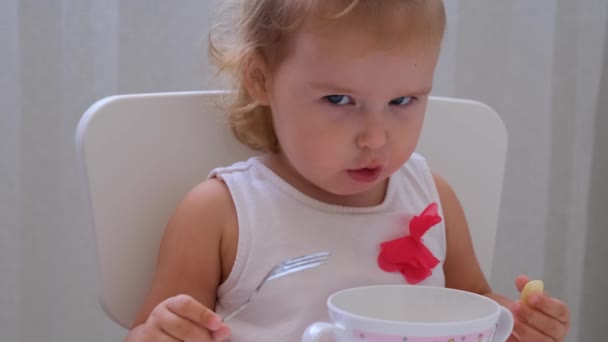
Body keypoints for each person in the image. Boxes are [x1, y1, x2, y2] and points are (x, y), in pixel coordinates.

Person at [126, 1, 570, 341]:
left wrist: (515, 324)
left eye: (402, 101)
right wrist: (163, 331)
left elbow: (472, 301)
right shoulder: (222, 213)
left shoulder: (431, 196)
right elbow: (158, 330)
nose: (375, 138)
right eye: (339, 100)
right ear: (261, 79)